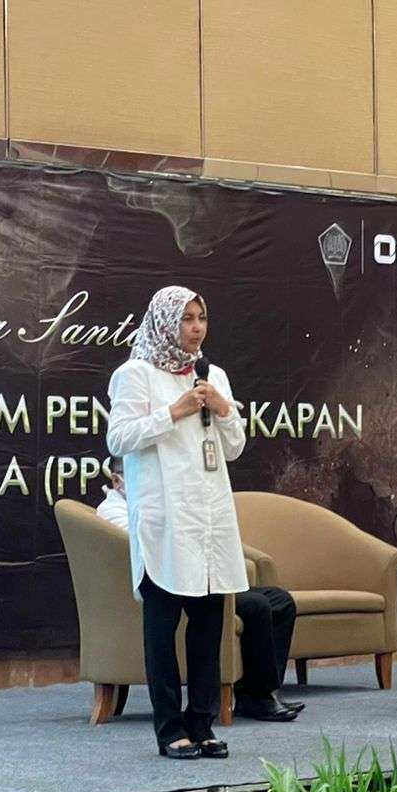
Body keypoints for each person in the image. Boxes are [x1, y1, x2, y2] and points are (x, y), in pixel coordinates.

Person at [106, 286, 247, 760]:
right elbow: (118, 439)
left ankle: (202, 724)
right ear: (165, 323)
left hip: (209, 520)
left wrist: (223, 410)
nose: (196, 328)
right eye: (186, 319)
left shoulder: (213, 374)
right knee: (162, 633)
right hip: (164, 521)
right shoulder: (135, 374)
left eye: (201, 317)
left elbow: (234, 448)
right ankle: (169, 729)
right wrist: (174, 412)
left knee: (207, 631)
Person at [96, 455, 303, 722]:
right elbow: (151, 544)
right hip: (169, 586)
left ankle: (261, 692)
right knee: (256, 605)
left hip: (198, 576)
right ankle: (258, 697)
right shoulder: (113, 511)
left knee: (280, 600)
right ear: (117, 481)